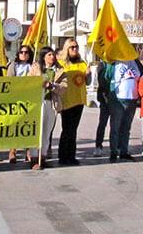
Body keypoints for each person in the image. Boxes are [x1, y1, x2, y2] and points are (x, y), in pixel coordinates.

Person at [54, 37, 88, 166]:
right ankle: (63, 156)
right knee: (67, 129)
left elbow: (87, 81)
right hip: (67, 100)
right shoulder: (61, 63)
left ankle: (71, 156)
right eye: (72, 47)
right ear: (66, 48)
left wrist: (88, 75)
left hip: (79, 100)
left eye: (76, 47)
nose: (75, 49)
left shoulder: (82, 62)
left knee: (73, 129)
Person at [30, 47, 60, 169]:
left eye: (53, 55)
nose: (52, 57)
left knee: (47, 131)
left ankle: (43, 156)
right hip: (38, 102)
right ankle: (33, 158)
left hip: (51, 103)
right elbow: (28, 82)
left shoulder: (59, 70)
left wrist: (52, 86)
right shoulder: (36, 68)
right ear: (43, 57)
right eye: (49, 55)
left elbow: (64, 87)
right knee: (37, 130)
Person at [108, 56, 141, 162]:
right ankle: (113, 151)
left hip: (132, 98)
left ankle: (124, 151)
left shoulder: (134, 62)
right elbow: (107, 77)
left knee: (126, 128)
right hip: (119, 99)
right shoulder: (115, 62)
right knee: (115, 127)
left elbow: (141, 74)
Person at [7, 46, 35, 164]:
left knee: (28, 125)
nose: (24, 54)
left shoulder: (33, 66)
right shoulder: (13, 65)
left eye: (26, 52)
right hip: (16, 99)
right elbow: (9, 81)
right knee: (15, 125)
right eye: (21, 52)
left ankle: (28, 151)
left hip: (30, 99)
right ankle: (12, 150)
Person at [93, 59, 115, 158]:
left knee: (115, 124)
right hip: (105, 98)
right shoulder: (103, 64)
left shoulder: (118, 63)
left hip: (116, 98)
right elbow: (101, 81)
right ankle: (98, 146)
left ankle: (115, 146)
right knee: (102, 123)